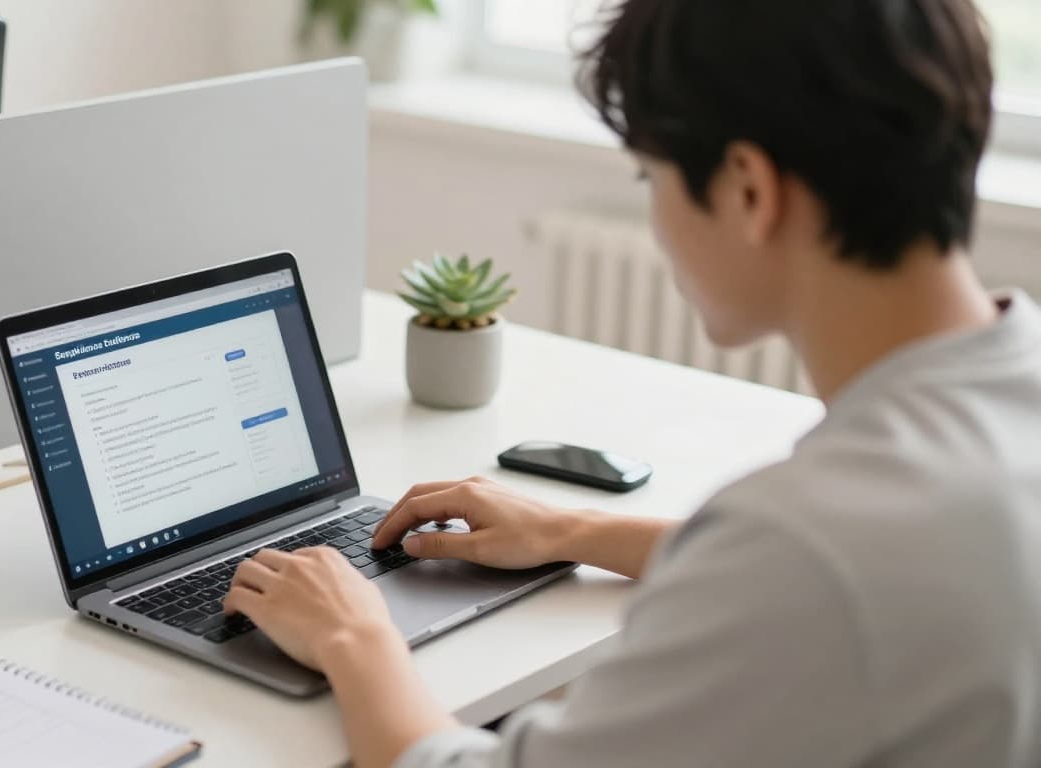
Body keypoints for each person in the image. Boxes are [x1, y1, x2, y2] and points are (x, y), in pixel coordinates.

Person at [222, 0, 1041, 765]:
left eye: (652, 178)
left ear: (750, 191)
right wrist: (571, 532)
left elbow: (809, 566)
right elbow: (831, 566)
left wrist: (353, 638)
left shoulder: (811, 544)